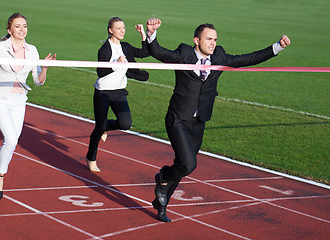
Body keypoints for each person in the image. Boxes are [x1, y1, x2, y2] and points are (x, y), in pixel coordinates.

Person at [145, 18, 291, 222]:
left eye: (215, 39)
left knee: (183, 164)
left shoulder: (219, 57)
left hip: (199, 122)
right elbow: (158, 53)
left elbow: (248, 59)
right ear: (196, 40)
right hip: (178, 118)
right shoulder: (184, 54)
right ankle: (163, 177)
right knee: (188, 165)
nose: (213, 43)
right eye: (208, 39)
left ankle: (161, 204)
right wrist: (151, 34)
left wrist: (277, 47)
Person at [0, 13, 56, 201]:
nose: (22, 29)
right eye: (17, 26)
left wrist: (46, 67)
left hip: (19, 101)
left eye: (24, 26)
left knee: (12, 141)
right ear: (9, 30)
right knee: (11, 139)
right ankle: (0, 176)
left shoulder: (32, 50)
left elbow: (37, 81)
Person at [85, 17, 150, 172]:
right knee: (98, 128)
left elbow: (144, 53)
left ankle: (105, 126)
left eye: (124, 28)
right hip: (103, 92)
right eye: (119, 28)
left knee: (125, 123)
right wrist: (116, 64)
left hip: (119, 92)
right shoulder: (105, 49)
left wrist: (143, 34)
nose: (122, 31)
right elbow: (101, 72)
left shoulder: (125, 47)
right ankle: (91, 157)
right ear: (110, 30)